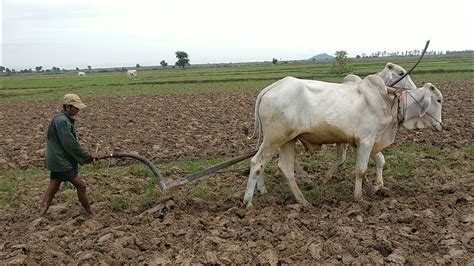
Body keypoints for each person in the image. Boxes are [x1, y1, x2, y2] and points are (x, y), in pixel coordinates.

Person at [39, 94, 97, 217]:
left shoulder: (60, 118)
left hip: (56, 160)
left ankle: (41, 215)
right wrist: (86, 156)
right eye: (76, 107)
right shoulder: (62, 121)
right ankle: (90, 213)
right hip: (61, 161)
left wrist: (84, 157)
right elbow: (69, 144)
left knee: (53, 187)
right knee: (81, 186)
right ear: (68, 107)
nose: (78, 110)